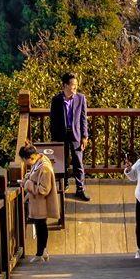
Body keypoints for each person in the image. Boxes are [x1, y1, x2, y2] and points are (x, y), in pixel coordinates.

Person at [51, 71, 90, 201]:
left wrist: (84, 136)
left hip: (76, 135)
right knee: (62, 161)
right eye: (73, 85)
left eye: (76, 85)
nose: (75, 87)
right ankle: (65, 183)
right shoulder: (56, 100)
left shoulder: (81, 98)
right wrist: (54, 140)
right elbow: (53, 121)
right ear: (65, 85)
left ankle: (80, 188)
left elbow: (84, 119)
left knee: (78, 162)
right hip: (61, 135)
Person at [19, 142, 58, 261]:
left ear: (31, 158)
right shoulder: (39, 161)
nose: (26, 164)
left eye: (26, 161)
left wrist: (27, 184)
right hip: (38, 203)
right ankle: (43, 251)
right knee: (41, 226)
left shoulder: (44, 168)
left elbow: (44, 189)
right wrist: (28, 177)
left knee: (41, 227)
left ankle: (40, 253)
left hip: (41, 203)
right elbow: (34, 176)